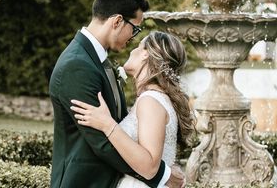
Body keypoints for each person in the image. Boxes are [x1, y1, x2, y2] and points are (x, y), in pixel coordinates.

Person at [49, 0, 188, 188]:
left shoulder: (98, 62)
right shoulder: (77, 65)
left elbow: (118, 129)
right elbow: (101, 142)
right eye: (135, 28)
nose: (134, 37)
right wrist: (162, 175)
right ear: (117, 21)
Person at [71, 30, 195, 188]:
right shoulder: (155, 98)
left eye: (138, 46)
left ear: (146, 54)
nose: (133, 49)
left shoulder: (151, 101)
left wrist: (107, 124)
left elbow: (150, 167)